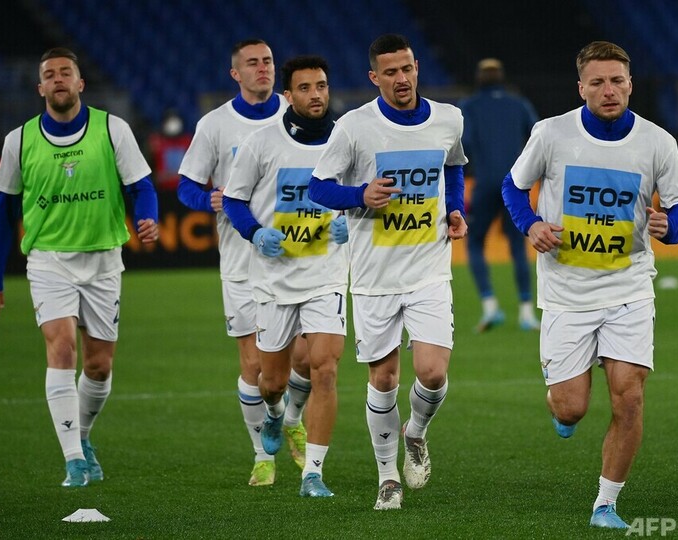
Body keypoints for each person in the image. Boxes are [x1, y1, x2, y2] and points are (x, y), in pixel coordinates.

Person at [502, 41, 678, 528]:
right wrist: (531, 224)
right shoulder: (551, 133)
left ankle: (605, 504)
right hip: (567, 294)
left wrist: (670, 227)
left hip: (629, 289)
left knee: (629, 396)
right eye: (598, 82)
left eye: (617, 81)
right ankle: (561, 411)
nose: (609, 90)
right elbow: (513, 185)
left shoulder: (658, 142)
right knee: (572, 409)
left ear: (630, 84)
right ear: (581, 87)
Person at [0, 47, 160, 487]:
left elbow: (142, 186)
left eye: (66, 72)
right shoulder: (19, 140)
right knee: (62, 349)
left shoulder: (112, 129)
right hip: (49, 260)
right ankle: (74, 460)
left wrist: (147, 216)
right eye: (50, 74)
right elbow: (4, 212)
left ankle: (82, 436)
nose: (58, 79)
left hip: (103, 260)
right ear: (40, 87)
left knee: (99, 367)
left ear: (80, 83)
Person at [308, 33, 468, 510]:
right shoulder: (355, 128)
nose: (402, 79)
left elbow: (454, 166)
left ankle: (415, 432)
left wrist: (455, 209)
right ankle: (388, 478)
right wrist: (360, 195)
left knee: (433, 373)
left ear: (417, 68)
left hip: (429, 268)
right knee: (383, 380)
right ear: (374, 77)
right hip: (374, 277)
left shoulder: (448, 118)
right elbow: (318, 187)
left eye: (407, 69)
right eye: (391, 72)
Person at [177, 39, 310, 487]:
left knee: (307, 360)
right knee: (256, 367)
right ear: (235, 73)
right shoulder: (215, 125)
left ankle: (292, 418)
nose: (262, 68)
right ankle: (262, 455)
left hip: (299, 257)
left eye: (268, 61)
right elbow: (186, 186)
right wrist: (209, 199)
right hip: (241, 262)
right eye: (252, 63)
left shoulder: (296, 113)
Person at [222, 55, 348, 497]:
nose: (316, 95)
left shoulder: (347, 139)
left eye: (322, 86)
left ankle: (313, 473)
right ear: (289, 95)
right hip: (274, 279)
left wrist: (350, 222)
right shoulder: (262, 143)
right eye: (306, 88)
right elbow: (234, 201)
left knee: (324, 369)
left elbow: (365, 195)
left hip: (326, 274)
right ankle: (278, 414)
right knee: (271, 382)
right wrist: (256, 234)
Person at [458, 58, 541, 333]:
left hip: (484, 184)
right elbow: (538, 136)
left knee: (474, 243)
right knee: (517, 246)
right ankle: (527, 312)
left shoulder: (469, 106)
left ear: (478, 79)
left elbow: (465, 142)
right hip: (514, 184)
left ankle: (490, 305)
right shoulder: (519, 104)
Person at [147, 108, 192, 191]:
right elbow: (152, 171)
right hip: (163, 191)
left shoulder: (187, 141)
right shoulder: (156, 142)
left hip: (184, 189)